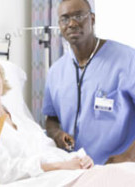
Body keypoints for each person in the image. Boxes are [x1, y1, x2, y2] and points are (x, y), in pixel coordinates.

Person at [0, 53, 99, 186]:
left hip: (52, 175)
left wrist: (77, 160)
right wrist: (58, 166)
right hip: (33, 180)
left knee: (103, 174)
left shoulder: (18, 117)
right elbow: (3, 171)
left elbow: (47, 147)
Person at [42, 0, 135, 165]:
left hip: (118, 166)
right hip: (74, 168)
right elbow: (51, 118)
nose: (71, 23)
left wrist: (127, 156)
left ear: (92, 19)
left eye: (78, 16)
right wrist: (56, 134)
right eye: (64, 19)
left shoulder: (128, 59)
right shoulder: (55, 71)